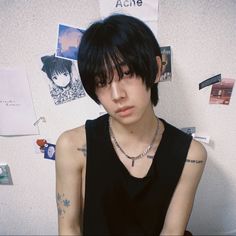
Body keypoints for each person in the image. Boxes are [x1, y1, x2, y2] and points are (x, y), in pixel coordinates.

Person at [55, 14, 207, 235]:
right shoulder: (72, 146)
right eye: (101, 81)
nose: (117, 95)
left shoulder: (190, 154)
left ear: (156, 68)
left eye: (126, 73)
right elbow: (69, 228)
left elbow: (172, 231)